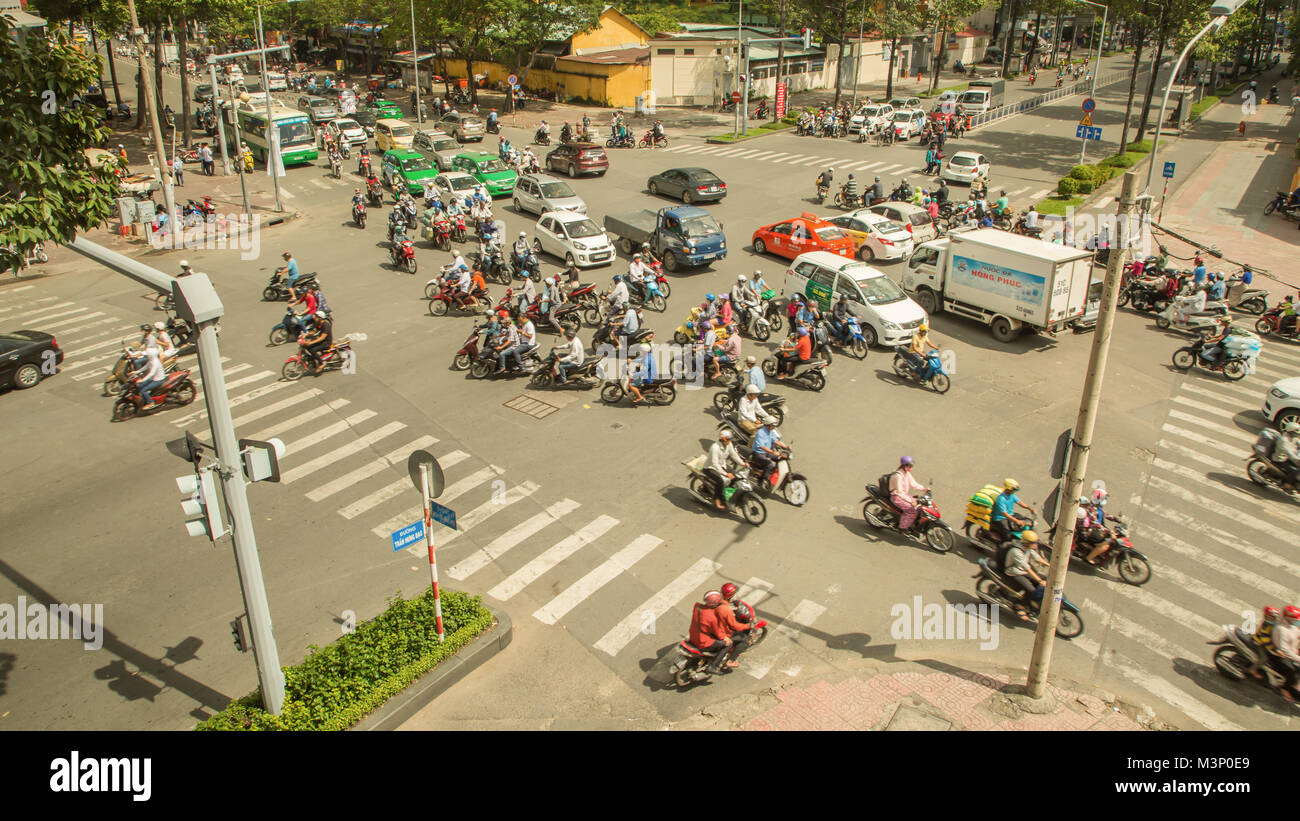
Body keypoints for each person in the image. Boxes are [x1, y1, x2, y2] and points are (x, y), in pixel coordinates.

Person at [1001, 530, 1047, 619]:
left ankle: (1031, 602)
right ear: (1027, 543)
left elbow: (1037, 557)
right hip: (1014, 573)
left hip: (1022, 571)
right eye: (1034, 543)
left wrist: (1050, 565)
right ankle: (1020, 606)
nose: (1036, 545)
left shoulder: (1028, 548)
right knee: (1031, 590)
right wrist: (1040, 580)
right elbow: (1028, 569)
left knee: (1040, 584)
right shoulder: (1016, 551)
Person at [687, 590, 737, 673]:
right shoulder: (712, 618)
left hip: (693, 635)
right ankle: (713, 666)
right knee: (728, 644)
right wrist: (726, 638)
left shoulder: (697, 606)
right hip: (703, 642)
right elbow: (718, 634)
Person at [990, 478, 1036, 545]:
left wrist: (1029, 508)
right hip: (1000, 518)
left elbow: (1019, 502)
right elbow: (1004, 513)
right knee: (1007, 535)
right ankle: (1002, 548)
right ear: (1009, 489)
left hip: (1010, 515)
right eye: (1013, 489)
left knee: (1025, 521)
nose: (1014, 491)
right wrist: (1016, 521)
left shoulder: (1011, 495)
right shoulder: (1001, 499)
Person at [890, 456, 929, 534]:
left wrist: (924, 489)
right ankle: (902, 527)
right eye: (909, 466)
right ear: (904, 465)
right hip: (897, 497)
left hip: (904, 496)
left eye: (911, 466)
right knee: (912, 511)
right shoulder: (898, 476)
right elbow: (899, 492)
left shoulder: (906, 473)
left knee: (920, 507)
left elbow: (914, 484)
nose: (911, 468)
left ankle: (911, 524)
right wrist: (910, 502)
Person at [127, 341, 167, 408]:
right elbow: (146, 367)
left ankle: (150, 402)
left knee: (143, 391)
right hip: (153, 378)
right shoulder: (151, 360)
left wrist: (142, 380)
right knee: (139, 386)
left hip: (158, 380)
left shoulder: (155, 363)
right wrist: (136, 372)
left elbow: (152, 373)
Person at [1272, 419, 1300, 491]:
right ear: (1291, 431)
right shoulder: (1283, 440)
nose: (1298, 434)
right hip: (1280, 459)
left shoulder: (1293, 437)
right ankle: (1287, 484)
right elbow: (1289, 453)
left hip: (1287, 458)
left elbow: (1298, 443)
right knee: (1295, 471)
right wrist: (1298, 460)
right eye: (1296, 432)